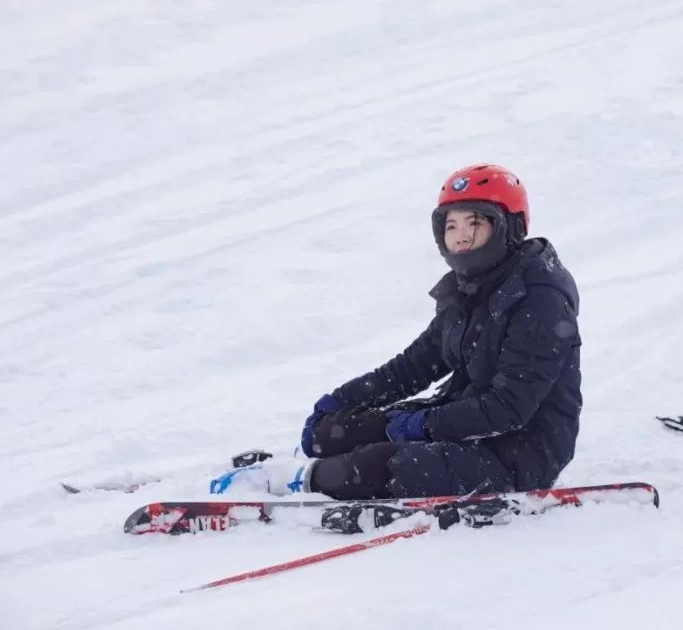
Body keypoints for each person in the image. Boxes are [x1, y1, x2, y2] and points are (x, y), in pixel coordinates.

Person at [209, 164, 582, 500]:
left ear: (509, 227)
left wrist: (420, 426)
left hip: (519, 454)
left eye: (474, 224)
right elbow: (413, 366)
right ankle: (323, 463)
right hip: (466, 427)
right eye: (451, 226)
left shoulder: (540, 299)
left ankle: (296, 482)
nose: (461, 238)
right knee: (335, 432)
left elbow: (508, 408)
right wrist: (340, 403)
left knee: (381, 464)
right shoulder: (471, 289)